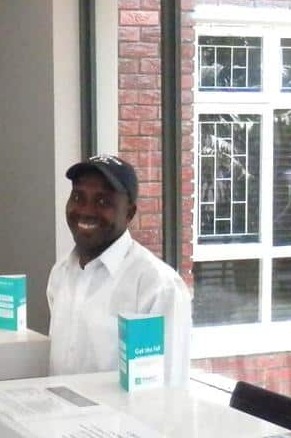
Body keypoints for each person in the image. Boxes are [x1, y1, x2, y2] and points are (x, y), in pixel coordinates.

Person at [47, 154, 190, 377]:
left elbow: (168, 385)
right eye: (78, 197)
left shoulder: (156, 286)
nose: (86, 211)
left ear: (129, 213)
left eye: (103, 202)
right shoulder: (60, 273)